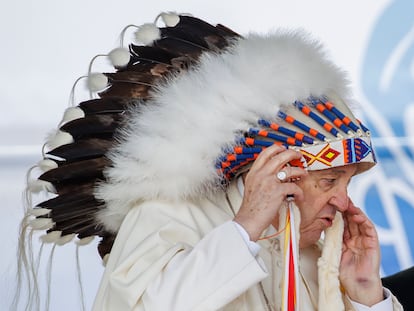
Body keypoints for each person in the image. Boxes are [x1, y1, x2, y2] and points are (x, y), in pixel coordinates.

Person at [21, 12, 403, 311]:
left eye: (346, 183)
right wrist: (245, 229)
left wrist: (366, 296)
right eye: (329, 181)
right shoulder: (164, 217)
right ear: (277, 171)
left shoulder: (317, 258)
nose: (343, 203)